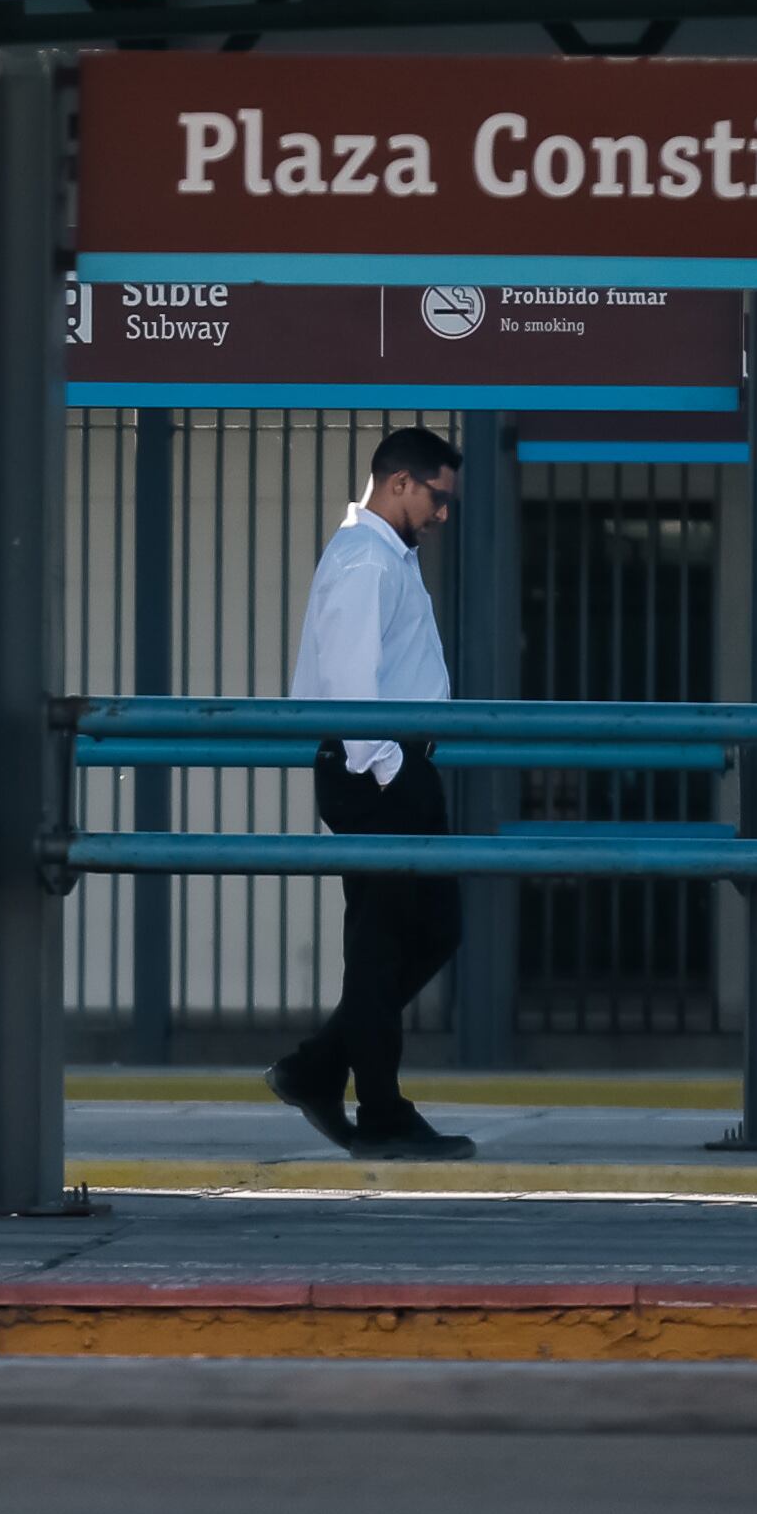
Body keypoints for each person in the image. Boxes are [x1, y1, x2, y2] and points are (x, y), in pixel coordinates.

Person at [269, 426, 478, 1160]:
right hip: (377, 769)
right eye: (437, 498)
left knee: (423, 932)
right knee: (383, 946)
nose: (442, 514)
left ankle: (319, 1068)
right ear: (398, 483)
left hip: (391, 766)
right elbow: (349, 684)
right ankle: (380, 1110)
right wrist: (391, 769)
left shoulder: (383, 554)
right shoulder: (364, 559)